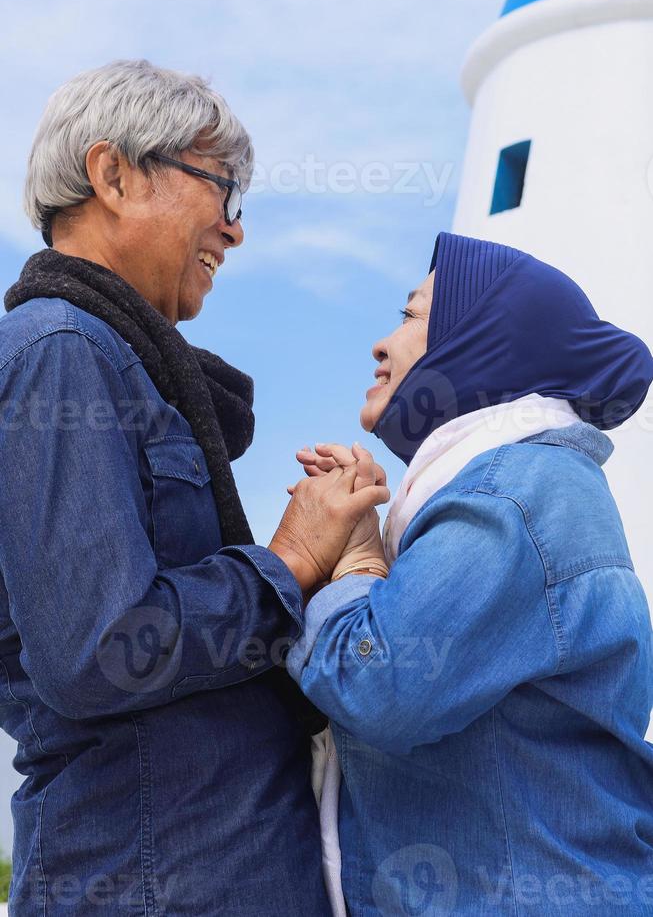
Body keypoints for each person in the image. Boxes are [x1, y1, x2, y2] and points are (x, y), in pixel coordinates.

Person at [0, 59, 389, 915]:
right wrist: (288, 561)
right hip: (153, 879)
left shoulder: (111, 364)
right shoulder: (61, 351)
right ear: (112, 175)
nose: (234, 228)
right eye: (222, 188)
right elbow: (101, 649)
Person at [289, 232, 653, 916]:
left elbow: (381, 685)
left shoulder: (510, 491)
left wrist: (355, 560)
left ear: (483, 336)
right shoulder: (520, 484)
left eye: (409, 315)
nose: (379, 343)